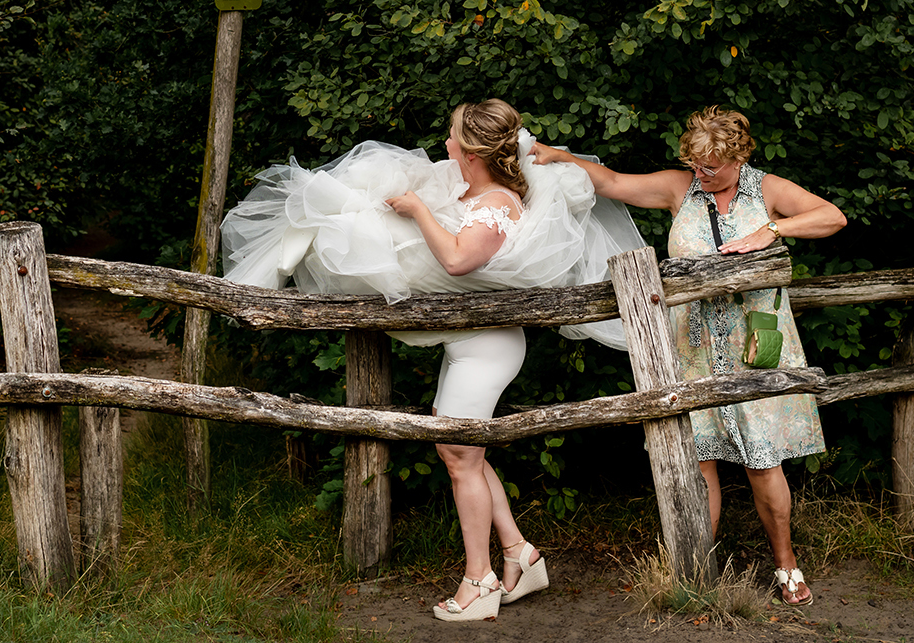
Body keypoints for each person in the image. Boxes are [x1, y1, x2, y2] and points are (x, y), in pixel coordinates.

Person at [221, 99, 644, 621]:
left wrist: (418, 211)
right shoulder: (470, 191)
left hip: (489, 347)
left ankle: (479, 582)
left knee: (460, 457)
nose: (444, 142)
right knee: (463, 453)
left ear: (471, 152)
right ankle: (520, 554)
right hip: (469, 343)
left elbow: (458, 259)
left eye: (451, 136)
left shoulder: (498, 203)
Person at [532, 106, 846, 607]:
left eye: (712, 166)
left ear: (739, 157)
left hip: (755, 349)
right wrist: (556, 156)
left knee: (763, 462)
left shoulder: (767, 190)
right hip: (692, 349)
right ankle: (697, 572)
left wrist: (771, 230)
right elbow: (611, 182)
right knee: (699, 461)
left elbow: (832, 216)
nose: (702, 173)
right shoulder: (679, 188)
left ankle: (786, 564)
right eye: (695, 163)